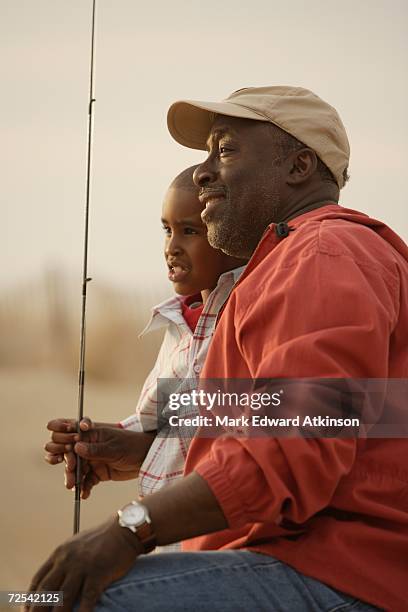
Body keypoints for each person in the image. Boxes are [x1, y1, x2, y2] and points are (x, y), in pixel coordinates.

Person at [26, 87, 408, 612]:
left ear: (299, 167)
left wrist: (129, 526)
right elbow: (316, 415)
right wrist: (145, 447)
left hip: (334, 571)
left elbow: (297, 441)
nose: (202, 172)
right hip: (292, 560)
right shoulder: (283, 266)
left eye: (224, 151)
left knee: (67, 599)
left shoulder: (323, 252)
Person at [43, 165, 245, 521]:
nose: (172, 247)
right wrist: (105, 440)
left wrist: (142, 447)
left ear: (233, 238)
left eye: (189, 231)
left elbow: (246, 430)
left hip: (218, 536)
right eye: (167, 230)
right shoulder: (176, 326)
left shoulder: (248, 317)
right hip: (165, 529)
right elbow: (166, 419)